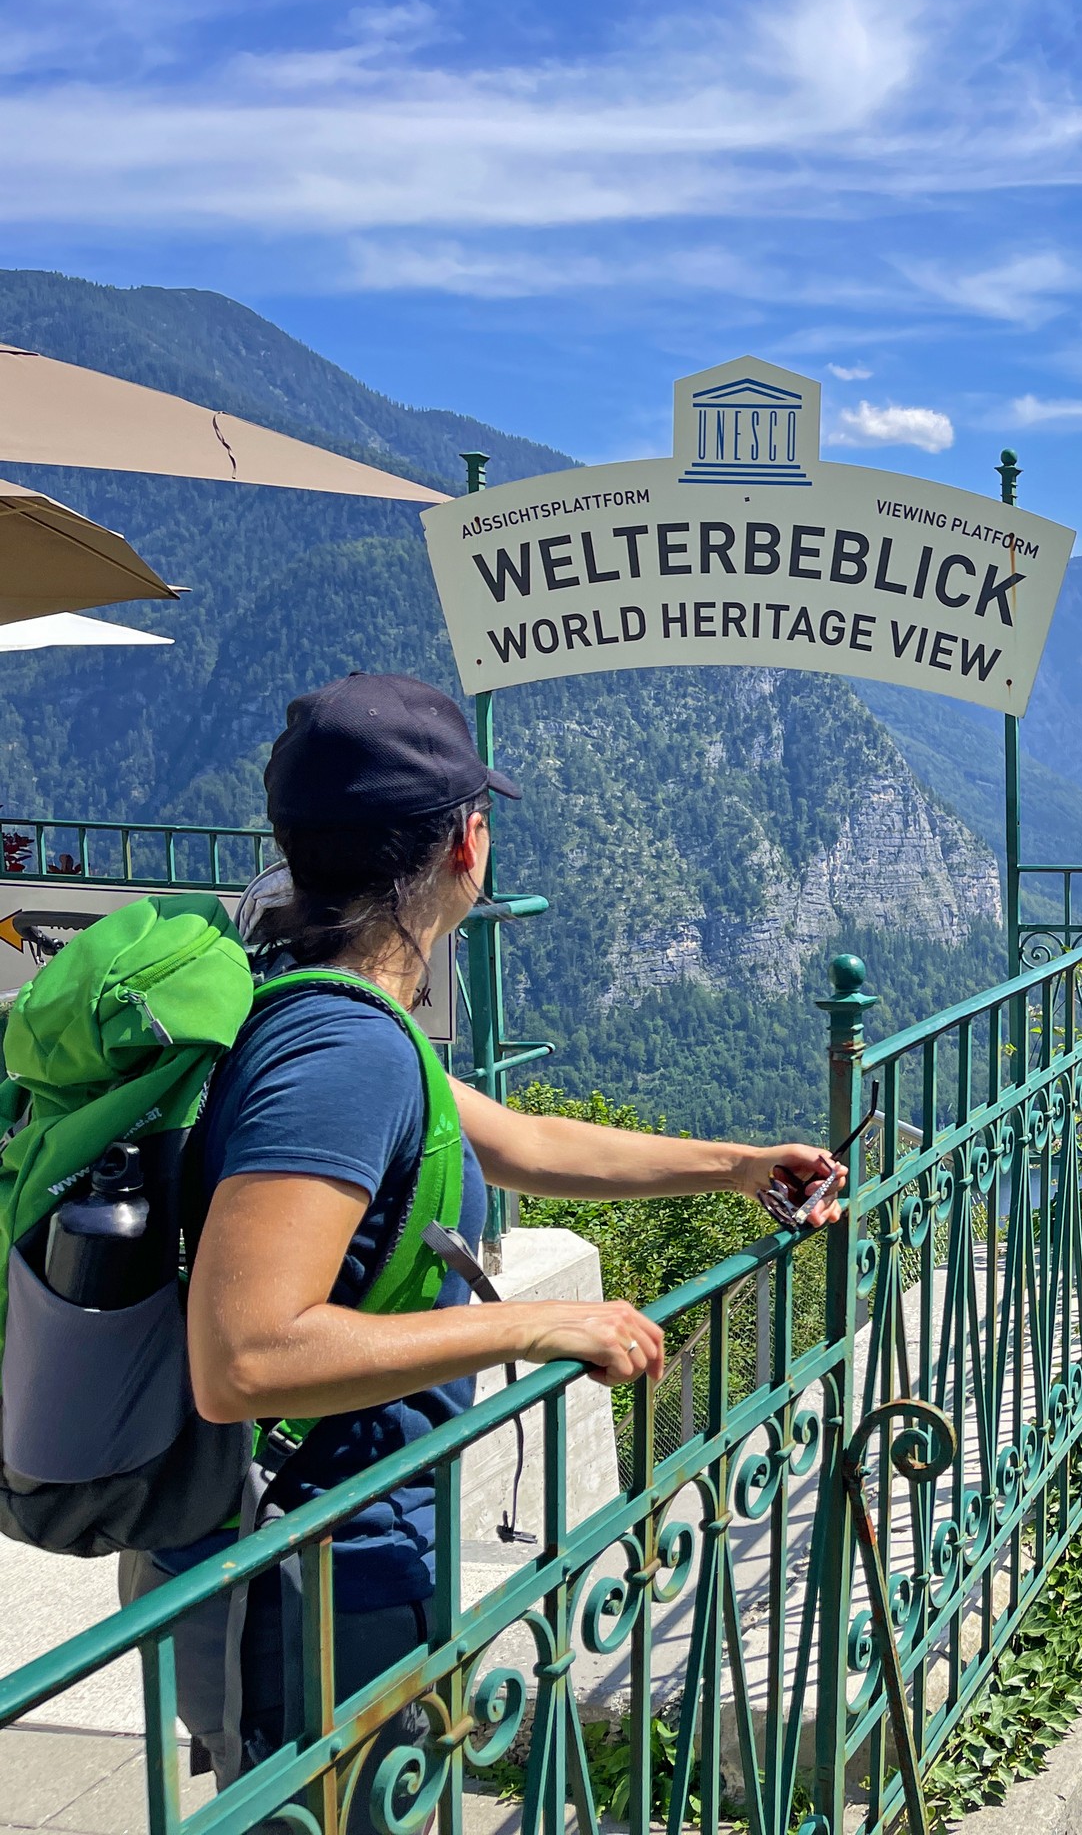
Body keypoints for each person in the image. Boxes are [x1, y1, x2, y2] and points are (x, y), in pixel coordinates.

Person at [155, 672, 845, 1799]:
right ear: (466, 846)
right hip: (314, 1576)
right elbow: (244, 1357)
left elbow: (518, 1141)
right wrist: (535, 1326)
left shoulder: (340, 1018)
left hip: (314, 1557)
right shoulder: (341, 1058)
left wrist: (737, 1166)